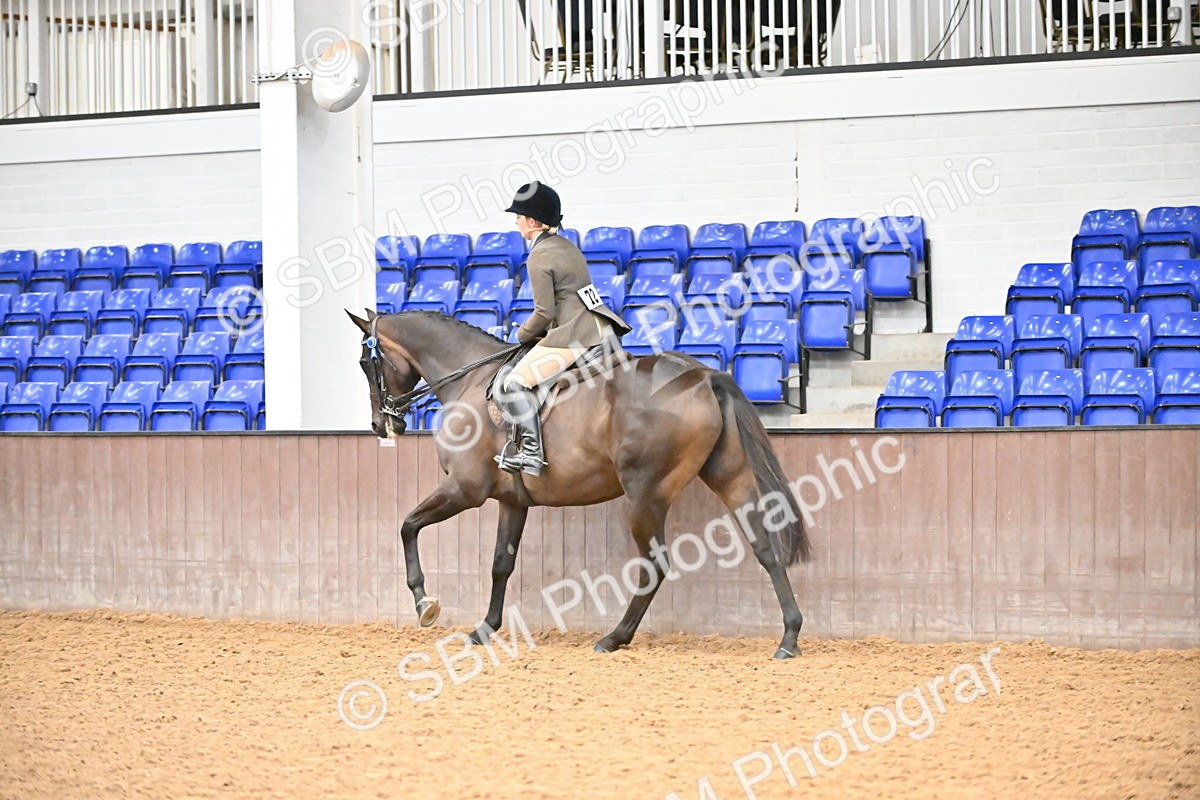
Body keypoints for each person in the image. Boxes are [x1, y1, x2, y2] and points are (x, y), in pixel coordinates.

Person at [495, 181, 631, 476]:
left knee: (515, 383)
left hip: (576, 335)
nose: (516, 221)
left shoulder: (539, 255)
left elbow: (544, 312)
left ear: (532, 221)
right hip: (601, 325)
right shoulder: (568, 246)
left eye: (518, 216)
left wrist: (521, 335)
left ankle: (531, 454)